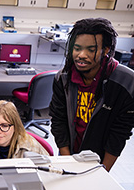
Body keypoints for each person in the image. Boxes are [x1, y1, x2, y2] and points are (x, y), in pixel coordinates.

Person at [49, 17, 134, 171]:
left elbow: (119, 133)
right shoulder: (63, 78)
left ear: (106, 50)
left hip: (100, 157)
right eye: (77, 48)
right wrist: (67, 161)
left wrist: (102, 171)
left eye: (91, 49)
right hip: (69, 151)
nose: (81, 54)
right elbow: (58, 119)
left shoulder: (127, 82)